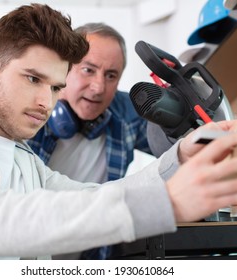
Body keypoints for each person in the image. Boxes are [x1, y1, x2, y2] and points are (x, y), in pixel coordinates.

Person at [0, 3, 237, 260]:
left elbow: (99, 193)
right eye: (33, 79)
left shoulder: (23, 159)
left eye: (56, 87)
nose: (46, 102)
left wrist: (182, 155)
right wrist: (167, 201)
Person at [28, 22, 173, 260]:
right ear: (65, 67)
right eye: (88, 70)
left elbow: (172, 146)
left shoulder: (124, 113)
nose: (98, 88)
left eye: (111, 75)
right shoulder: (26, 111)